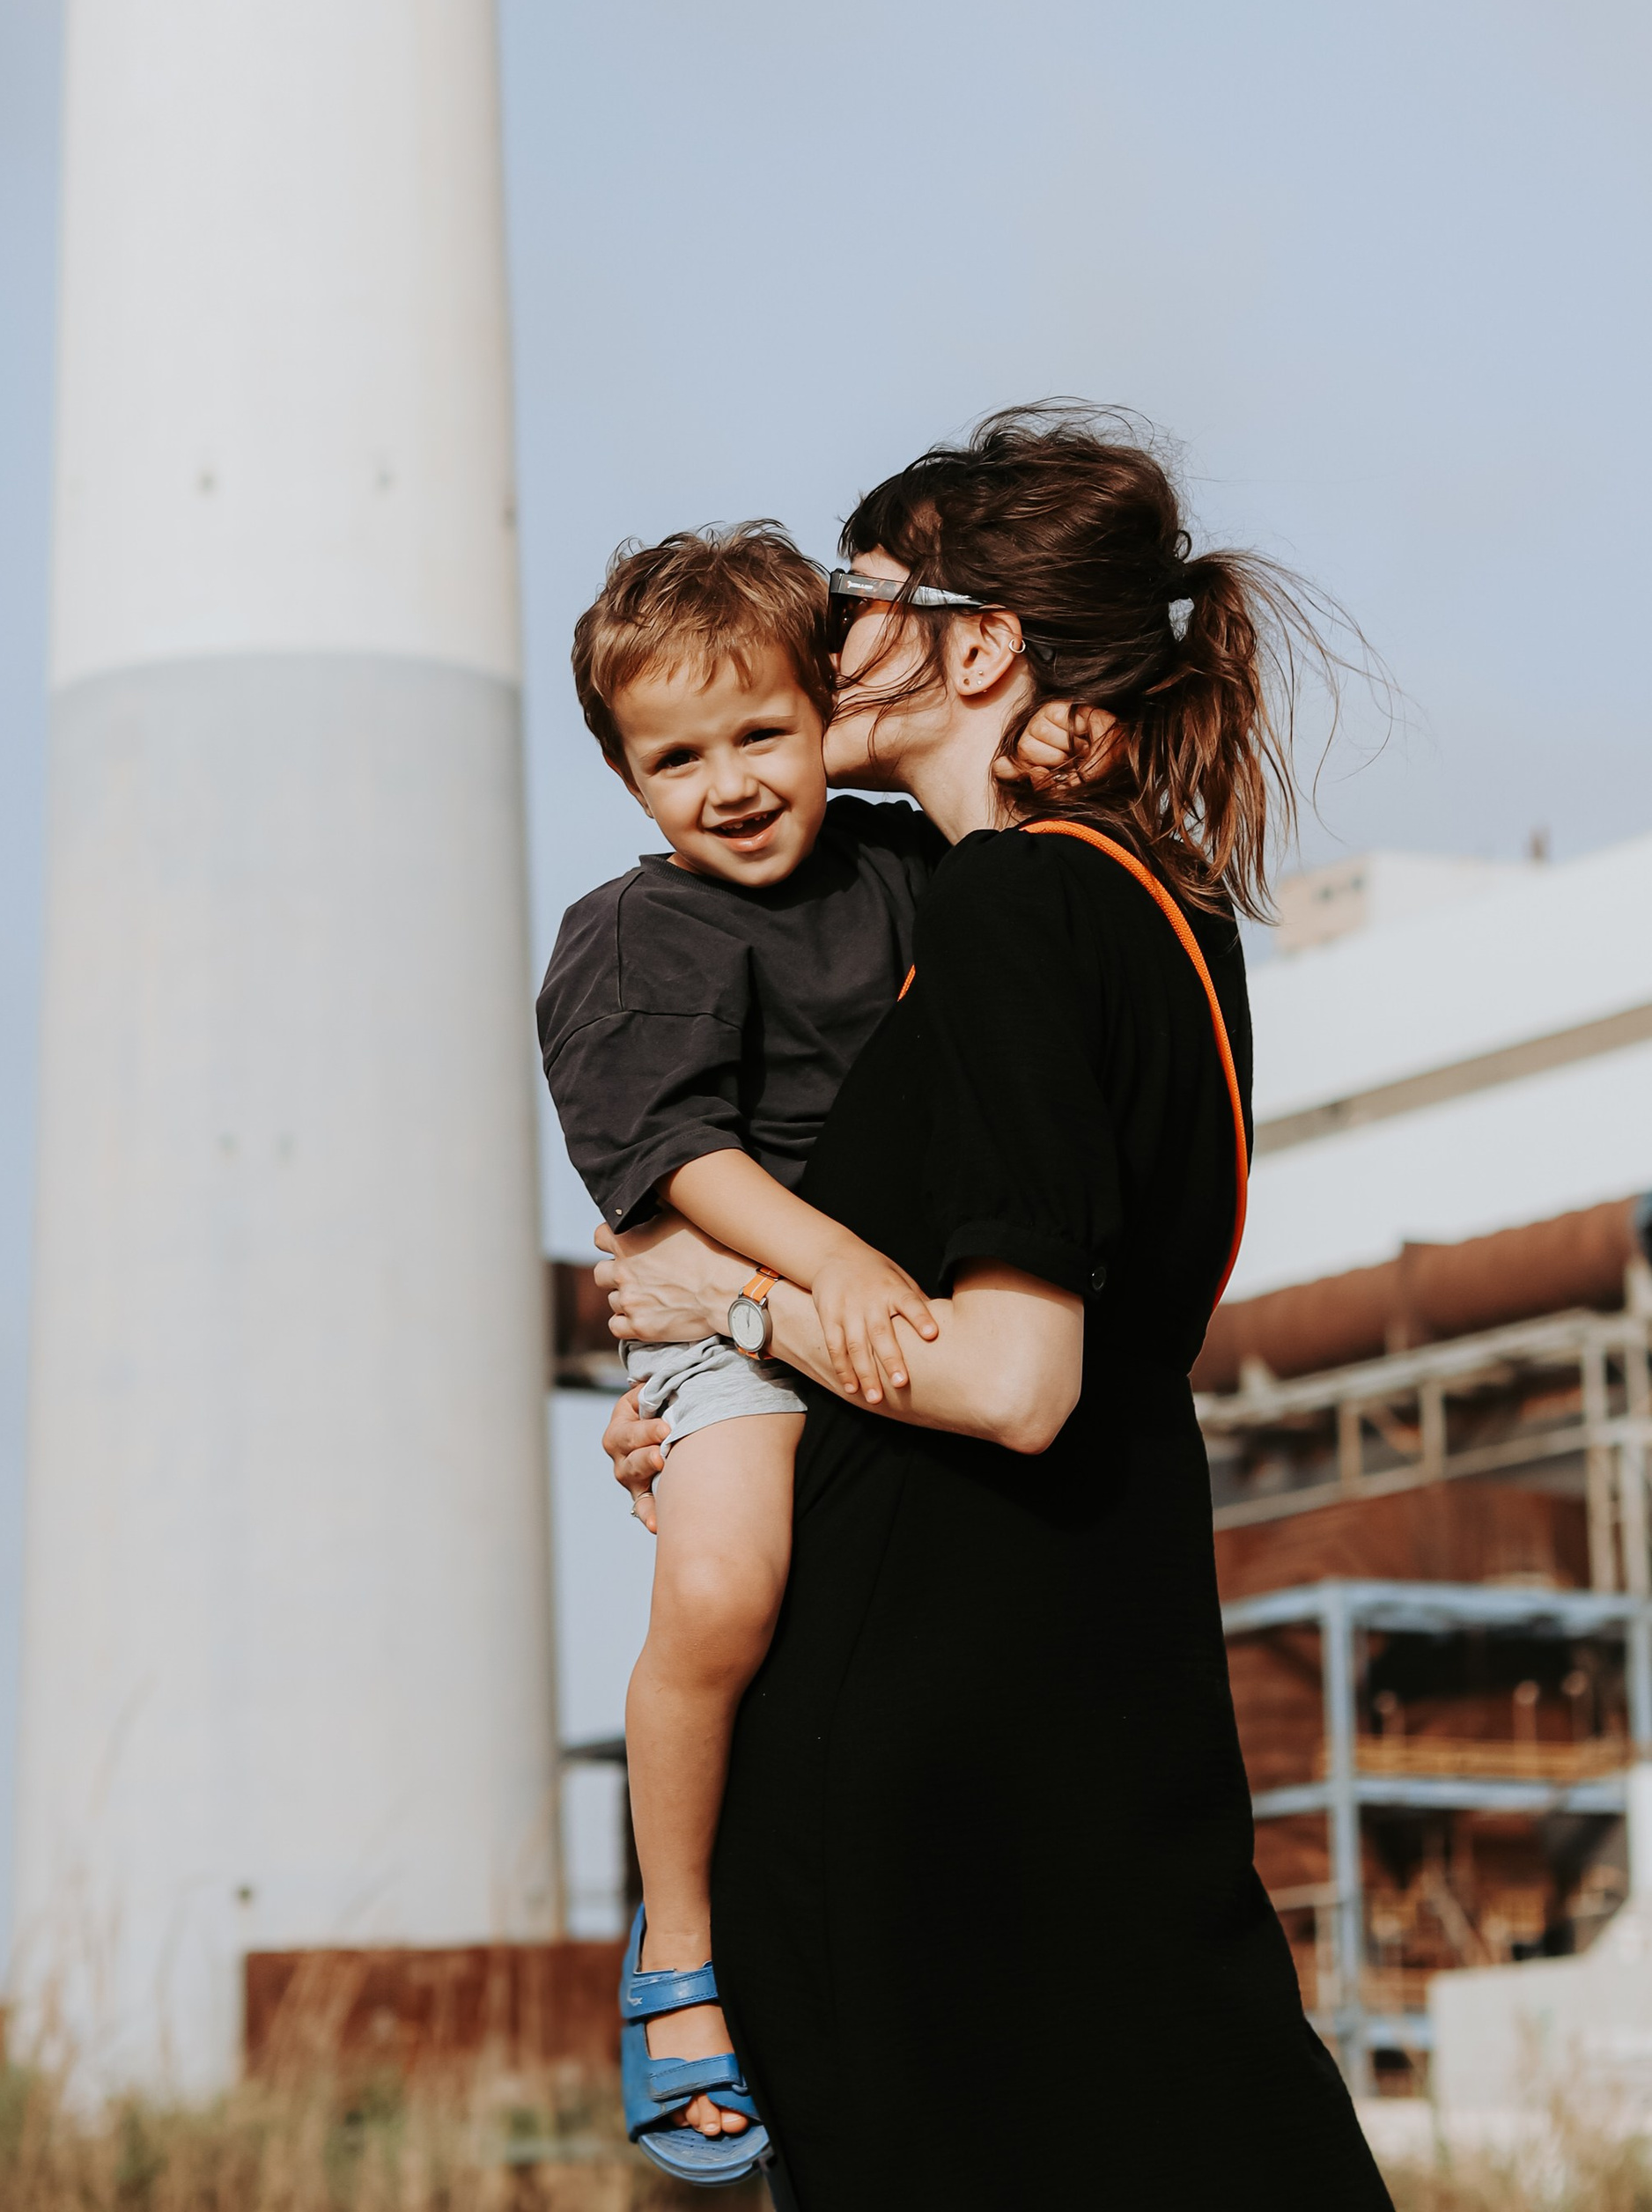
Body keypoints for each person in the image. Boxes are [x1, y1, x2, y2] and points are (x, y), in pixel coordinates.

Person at [595, 410, 1391, 2210]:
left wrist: (721, 1292)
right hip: (1105, 1702)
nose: (817, 634)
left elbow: (1015, 1378)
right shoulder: (1158, 909)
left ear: (976, 645)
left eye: (860, 594)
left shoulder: (1011, 904)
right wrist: (732, 1420)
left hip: (937, 1778)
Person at [539, 524, 1095, 2181]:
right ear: (627, 779)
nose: (726, 782)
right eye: (673, 757)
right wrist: (833, 1265)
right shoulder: (634, 936)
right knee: (721, 1587)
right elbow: (677, 1164)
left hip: (926, 1316)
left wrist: (1049, 733)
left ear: (826, 716)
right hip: (751, 1310)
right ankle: (683, 1950)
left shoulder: (901, 865)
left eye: (761, 733)